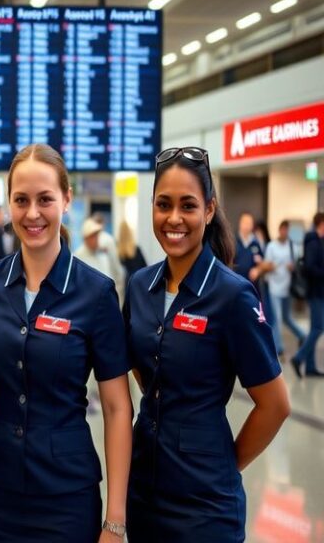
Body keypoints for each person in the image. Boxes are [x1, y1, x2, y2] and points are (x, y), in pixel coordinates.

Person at [124, 146, 289, 542]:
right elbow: (143, 365)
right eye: (163, 205)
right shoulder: (140, 286)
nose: (174, 218)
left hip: (205, 507)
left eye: (188, 205)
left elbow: (276, 404)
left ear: (210, 210)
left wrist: (225, 464)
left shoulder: (232, 296)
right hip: (144, 493)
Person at [0, 143, 133, 542]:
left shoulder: (96, 294)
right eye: (20, 200)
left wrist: (115, 520)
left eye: (45, 199)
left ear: (66, 200)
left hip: (67, 498)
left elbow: (116, 408)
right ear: (8, 204)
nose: (32, 213)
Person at [264, 220, 306, 357]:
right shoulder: (271, 247)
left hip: (288, 287)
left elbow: (297, 265)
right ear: (279, 230)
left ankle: (301, 335)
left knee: (287, 317)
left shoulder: (293, 246)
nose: (284, 233)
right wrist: (273, 266)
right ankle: (279, 349)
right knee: (277, 318)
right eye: (283, 230)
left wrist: (292, 267)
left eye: (287, 230)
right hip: (274, 287)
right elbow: (266, 266)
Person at [291, 212, 324, 378]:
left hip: (319, 291)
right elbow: (310, 267)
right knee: (318, 328)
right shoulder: (313, 242)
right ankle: (298, 357)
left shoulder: (319, 241)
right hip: (315, 292)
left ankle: (310, 367)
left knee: (314, 327)